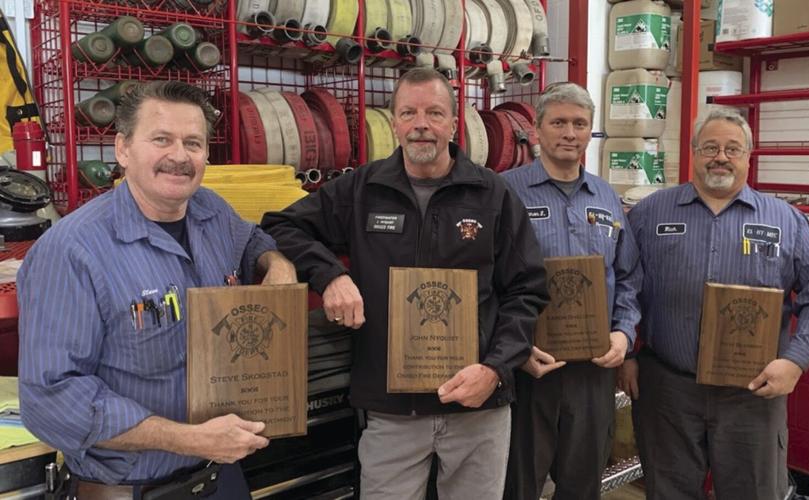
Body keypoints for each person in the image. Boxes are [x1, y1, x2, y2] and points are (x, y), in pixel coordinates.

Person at [261, 67, 549, 500]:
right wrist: (331, 275)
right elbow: (282, 226)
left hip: (478, 404)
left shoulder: (492, 194)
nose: (421, 125)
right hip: (391, 409)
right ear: (394, 121)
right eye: (408, 112)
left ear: (454, 123)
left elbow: (525, 290)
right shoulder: (361, 188)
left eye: (434, 113)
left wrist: (495, 368)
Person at [17, 81, 297, 499]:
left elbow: (251, 240)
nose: (180, 157)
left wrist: (276, 264)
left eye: (193, 143)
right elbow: (53, 398)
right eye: (161, 139)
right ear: (123, 149)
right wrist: (189, 439)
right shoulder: (71, 251)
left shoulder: (212, 211)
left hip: (220, 478)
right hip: (131, 489)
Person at [619, 108, 809, 500]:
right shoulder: (649, 214)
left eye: (732, 149)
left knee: (753, 492)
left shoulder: (787, 221)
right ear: (693, 152)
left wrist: (795, 361)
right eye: (710, 147)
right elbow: (623, 284)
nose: (720, 157)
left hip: (752, 394)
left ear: (748, 156)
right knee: (668, 491)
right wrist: (626, 353)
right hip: (668, 390)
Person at [500, 83, 641, 500]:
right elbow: (487, 278)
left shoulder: (607, 197)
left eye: (580, 124)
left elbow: (629, 276)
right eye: (558, 122)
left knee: (582, 483)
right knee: (518, 482)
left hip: (593, 370)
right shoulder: (505, 192)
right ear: (536, 131)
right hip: (529, 367)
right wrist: (514, 348)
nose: (569, 132)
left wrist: (624, 334)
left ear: (590, 131)